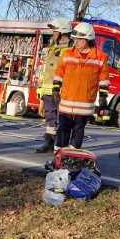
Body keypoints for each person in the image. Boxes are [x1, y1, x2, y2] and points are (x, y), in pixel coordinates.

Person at [52, 22, 109, 149]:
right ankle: (58, 159)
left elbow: (104, 80)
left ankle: (72, 160)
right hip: (66, 103)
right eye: (75, 39)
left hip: (84, 104)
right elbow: (59, 74)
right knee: (62, 131)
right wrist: (56, 89)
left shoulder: (100, 57)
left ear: (88, 39)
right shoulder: (67, 54)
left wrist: (103, 97)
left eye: (79, 39)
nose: (76, 42)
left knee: (78, 133)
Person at [35, 18, 73, 153]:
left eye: (55, 30)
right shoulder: (52, 48)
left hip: (62, 90)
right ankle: (49, 141)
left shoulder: (70, 50)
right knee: (50, 116)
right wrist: (41, 91)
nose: (53, 33)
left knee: (62, 118)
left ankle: (61, 144)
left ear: (62, 32)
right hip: (48, 90)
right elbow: (46, 71)